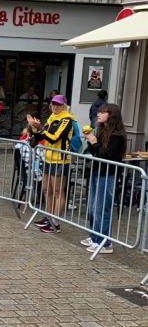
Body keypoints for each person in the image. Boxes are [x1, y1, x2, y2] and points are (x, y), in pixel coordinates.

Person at [81, 103, 126, 254]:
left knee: (102, 208)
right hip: (96, 171)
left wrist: (94, 142)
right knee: (93, 207)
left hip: (107, 174)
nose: (98, 114)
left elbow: (107, 156)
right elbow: (96, 153)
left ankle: (103, 242)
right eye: (98, 112)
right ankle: (94, 236)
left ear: (111, 115)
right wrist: (92, 142)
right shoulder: (102, 131)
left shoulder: (116, 136)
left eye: (102, 112)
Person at [27, 94, 76, 232]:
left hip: (60, 159)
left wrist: (41, 128)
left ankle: (55, 220)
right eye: (53, 104)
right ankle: (48, 217)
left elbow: (55, 138)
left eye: (58, 104)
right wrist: (35, 128)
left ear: (64, 106)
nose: (55, 106)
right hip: (48, 157)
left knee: (57, 191)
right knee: (46, 189)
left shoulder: (67, 119)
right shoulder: (52, 117)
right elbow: (43, 135)